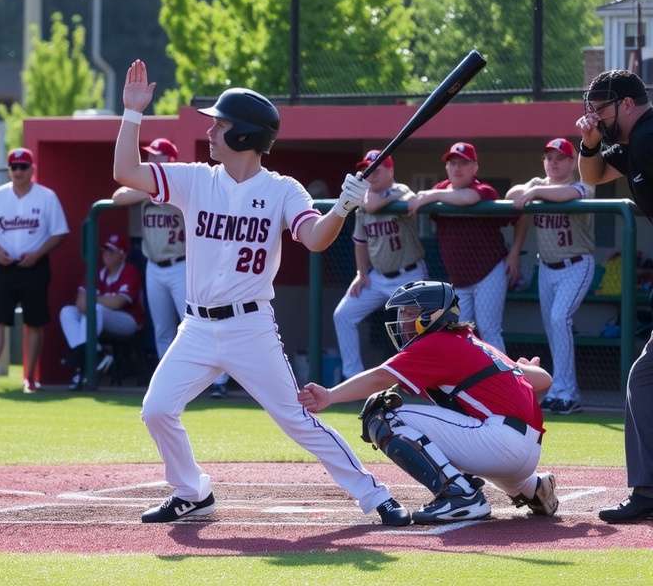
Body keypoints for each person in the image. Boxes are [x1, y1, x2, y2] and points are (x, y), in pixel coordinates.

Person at [113, 59, 409, 526]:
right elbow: (126, 171)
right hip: (196, 327)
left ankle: (374, 495)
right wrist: (132, 113)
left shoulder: (282, 190)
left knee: (297, 419)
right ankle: (192, 491)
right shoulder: (195, 178)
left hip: (249, 327)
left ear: (245, 136)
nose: (211, 132)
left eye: (221, 124)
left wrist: (344, 208)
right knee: (156, 410)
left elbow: (315, 239)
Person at [299, 280, 558, 524]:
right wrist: (520, 368)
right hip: (521, 449)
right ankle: (533, 488)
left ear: (432, 315)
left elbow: (380, 377)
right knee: (444, 426)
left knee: (383, 415)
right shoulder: (470, 341)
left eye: (410, 312)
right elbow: (543, 380)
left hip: (502, 442)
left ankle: (460, 496)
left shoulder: (437, 342)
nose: (404, 321)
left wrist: (330, 395)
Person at [577, 69, 653, 523]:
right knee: (645, 379)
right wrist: (588, 142)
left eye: (601, 109)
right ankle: (646, 490)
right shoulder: (635, 139)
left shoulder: (648, 137)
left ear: (626, 104)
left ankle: (646, 492)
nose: (595, 116)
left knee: (644, 379)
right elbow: (594, 174)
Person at [112, 137, 231, 399]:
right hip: (154, 266)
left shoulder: (182, 182)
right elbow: (118, 196)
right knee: (163, 329)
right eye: (151, 155)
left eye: (158, 155)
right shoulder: (147, 184)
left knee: (197, 323)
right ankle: (172, 384)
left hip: (181, 265)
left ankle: (220, 380)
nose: (152, 159)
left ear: (170, 160)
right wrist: (150, 190)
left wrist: (159, 189)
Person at [407, 142, 528, 352]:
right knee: (460, 334)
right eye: (453, 163)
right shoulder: (441, 190)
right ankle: (468, 384)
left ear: (474, 168)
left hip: (489, 271)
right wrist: (431, 194)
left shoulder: (483, 190)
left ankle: (506, 382)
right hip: (459, 279)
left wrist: (515, 253)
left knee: (489, 330)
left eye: (463, 163)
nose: (457, 168)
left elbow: (474, 199)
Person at [0, 147, 69, 394]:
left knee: (34, 323)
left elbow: (59, 232)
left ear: (32, 169)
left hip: (34, 267)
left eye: (23, 167)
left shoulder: (46, 197)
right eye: (14, 167)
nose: (18, 172)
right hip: (5, 267)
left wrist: (37, 254)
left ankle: (30, 378)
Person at [505, 138, 595, 415]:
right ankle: (560, 391)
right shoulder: (537, 184)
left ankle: (567, 392)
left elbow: (569, 194)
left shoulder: (584, 182)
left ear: (571, 162)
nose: (554, 163)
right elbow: (511, 194)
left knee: (559, 319)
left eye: (560, 157)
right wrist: (532, 189)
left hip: (577, 263)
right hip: (546, 267)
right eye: (549, 158)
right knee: (554, 328)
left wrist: (535, 193)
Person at [333, 150, 427, 380]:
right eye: (368, 168)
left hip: (409, 275)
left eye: (378, 168)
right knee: (343, 315)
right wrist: (361, 273)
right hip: (378, 277)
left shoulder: (401, 190)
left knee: (414, 329)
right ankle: (352, 376)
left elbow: (374, 203)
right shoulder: (364, 201)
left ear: (391, 170)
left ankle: (420, 379)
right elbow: (360, 241)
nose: (372, 173)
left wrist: (376, 199)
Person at [59, 233, 144, 390]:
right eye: (105, 250)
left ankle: (83, 362)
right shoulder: (98, 273)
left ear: (122, 255)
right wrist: (96, 301)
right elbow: (80, 303)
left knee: (95, 309)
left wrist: (92, 299)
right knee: (67, 312)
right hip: (103, 318)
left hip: (128, 320)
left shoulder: (130, 271)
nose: (106, 254)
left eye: (111, 251)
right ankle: (93, 357)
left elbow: (118, 302)